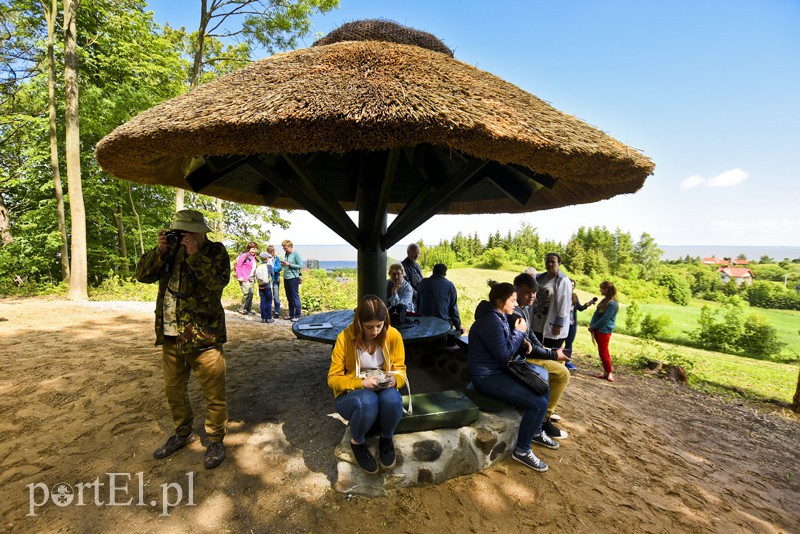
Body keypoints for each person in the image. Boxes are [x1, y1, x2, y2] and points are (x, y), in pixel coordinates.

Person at [135, 209, 230, 469]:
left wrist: (195, 256)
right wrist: (160, 251)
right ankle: (182, 432)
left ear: (201, 233)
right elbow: (142, 275)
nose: (183, 236)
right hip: (170, 334)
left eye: (188, 232)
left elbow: (217, 282)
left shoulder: (215, 252)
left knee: (213, 391)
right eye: (179, 231)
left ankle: (215, 439)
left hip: (203, 335)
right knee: (174, 390)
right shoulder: (168, 251)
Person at [468, 281, 558, 473]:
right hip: (487, 377)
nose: (516, 304)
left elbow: (503, 344)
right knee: (538, 403)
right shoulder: (490, 320)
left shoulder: (498, 316)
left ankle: (535, 431)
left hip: (499, 371)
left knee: (543, 385)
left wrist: (521, 341)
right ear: (500, 301)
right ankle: (522, 450)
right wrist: (519, 332)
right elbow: (503, 354)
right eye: (513, 300)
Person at [327, 295, 407, 475]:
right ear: (359, 323)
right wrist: (360, 383)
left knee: (393, 399)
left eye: (379, 325)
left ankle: (386, 438)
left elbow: (400, 369)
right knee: (368, 399)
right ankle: (357, 442)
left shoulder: (393, 335)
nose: (375, 331)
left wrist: (395, 380)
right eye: (369, 327)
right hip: (351, 396)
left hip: (382, 388)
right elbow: (332, 378)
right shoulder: (345, 338)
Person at [512, 273, 571, 440]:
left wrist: (545, 349)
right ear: (516, 289)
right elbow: (526, 348)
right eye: (527, 292)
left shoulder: (523, 308)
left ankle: (547, 410)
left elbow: (531, 335)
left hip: (525, 354)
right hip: (519, 359)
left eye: (535, 292)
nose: (532, 296)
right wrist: (552, 354)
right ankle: (543, 421)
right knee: (562, 373)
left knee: (562, 366)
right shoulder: (514, 312)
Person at [531, 253, 571, 349]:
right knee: (536, 352)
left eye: (553, 262)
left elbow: (564, 304)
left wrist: (559, 324)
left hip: (551, 325)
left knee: (548, 353)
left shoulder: (563, 281)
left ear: (559, 264)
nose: (549, 264)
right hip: (536, 322)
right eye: (547, 261)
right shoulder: (540, 278)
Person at [416, 263, 462, 333]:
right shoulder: (450, 285)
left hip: (424, 323)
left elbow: (417, 302)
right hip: (443, 324)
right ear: (445, 273)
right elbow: (453, 309)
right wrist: (458, 326)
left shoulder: (423, 282)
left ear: (433, 271)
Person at [589, 281, 619, 382]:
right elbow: (597, 314)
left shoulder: (612, 303)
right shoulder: (605, 300)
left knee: (604, 352)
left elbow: (605, 319)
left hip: (604, 330)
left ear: (607, 289)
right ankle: (606, 372)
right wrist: (592, 326)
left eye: (602, 288)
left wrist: (594, 326)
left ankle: (609, 372)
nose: (600, 290)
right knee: (602, 352)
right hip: (598, 329)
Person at [564, 279, 595, 370]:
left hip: (572, 323)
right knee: (559, 342)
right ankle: (556, 359)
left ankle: (567, 361)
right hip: (562, 323)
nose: (572, 286)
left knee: (569, 343)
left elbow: (580, 308)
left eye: (573, 285)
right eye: (570, 284)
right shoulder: (562, 294)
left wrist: (588, 304)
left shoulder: (574, 296)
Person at [281, 240, 303, 322]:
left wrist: (289, 264)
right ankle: (291, 314)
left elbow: (300, 266)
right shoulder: (287, 254)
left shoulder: (296, 254)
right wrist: (284, 264)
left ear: (290, 247)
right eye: (283, 248)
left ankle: (298, 315)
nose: (284, 250)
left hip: (293, 278)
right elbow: (287, 265)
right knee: (289, 297)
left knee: (295, 296)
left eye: (285, 248)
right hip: (286, 277)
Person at [234, 241, 259, 315]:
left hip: (252, 277)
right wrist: (239, 276)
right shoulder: (244, 255)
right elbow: (238, 266)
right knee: (248, 292)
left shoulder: (254, 257)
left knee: (251, 294)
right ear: (249, 249)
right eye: (253, 249)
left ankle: (248, 308)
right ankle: (242, 308)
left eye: (255, 249)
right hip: (244, 277)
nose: (254, 250)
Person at [255, 251, 275, 323]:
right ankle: (269, 318)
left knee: (262, 301)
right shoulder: (269, 266)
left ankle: (263, 318)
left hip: (260, 286)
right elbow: (272, 274)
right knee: (269, 301)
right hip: (267, 286)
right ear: (267, 258)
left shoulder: (258, 266)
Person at [266, 244, 282, 319]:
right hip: (267, 279)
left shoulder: (276, 258)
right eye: (269, 251)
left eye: (272, 251)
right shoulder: (265, 258)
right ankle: (267, 310)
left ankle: (277, 311)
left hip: (275, 279)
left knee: (276, 296)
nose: (271, 253)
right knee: (268, 296)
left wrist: (272, 268)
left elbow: (279, 268)